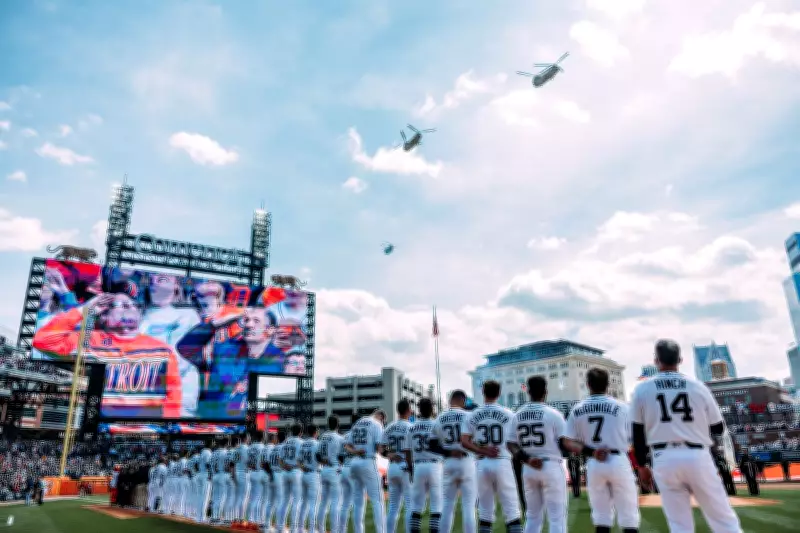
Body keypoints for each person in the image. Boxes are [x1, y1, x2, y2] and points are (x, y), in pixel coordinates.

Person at [630, 339, 742, 532]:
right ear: (680, 359)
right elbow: (717, 428)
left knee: (679, 525)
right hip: (697, 454)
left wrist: (641, 466)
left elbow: (637, 433)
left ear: (656, 361)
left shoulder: (642, 389)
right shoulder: (697, 386)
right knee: (724, 520)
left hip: (663, 457)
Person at [32, 292, 183, 418]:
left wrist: (165, 430)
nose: (129, 307)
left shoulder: (163, 350)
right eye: (122, 305)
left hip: (144, 431)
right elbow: (42, 340)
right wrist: (84, 310)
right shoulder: (88, 340)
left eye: (132, 305)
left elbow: (173, 397)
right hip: (97, 428)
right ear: (104, 317)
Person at [176, 303, 290, 419]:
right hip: (213, 425)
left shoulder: (281, 362)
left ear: (270, 330)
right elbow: (186, 348)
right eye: (246, 320)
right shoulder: (223, 351)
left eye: (256, 321)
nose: (249, 325)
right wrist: (217, 323)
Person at [564, 368, 640, 533]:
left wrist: (591, 452)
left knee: (601, 516)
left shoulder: (577, 409)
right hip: (618, 459)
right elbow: (635, 438)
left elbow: (567, 441)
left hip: (594, 462)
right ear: (608, 384)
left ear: (588, 385)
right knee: (628, 515)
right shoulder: (622, 407)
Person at [507, 376, 569, 532]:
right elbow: (564, 444)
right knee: (557, 518)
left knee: (533, 517)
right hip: (550, 465)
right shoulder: (553, 414)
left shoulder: (518, 415)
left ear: (528, 391)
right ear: (545, 391)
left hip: (529, 467)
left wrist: (526, 458)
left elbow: (510, 443)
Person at [460, 380, 522, 533]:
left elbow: (464, 441)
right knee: (512, 510)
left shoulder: (472, 414)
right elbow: (518, 441)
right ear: (499, 393)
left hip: (481, 463)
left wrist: (482, 450)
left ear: (483, 392)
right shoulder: (509, 413)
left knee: (485, 512)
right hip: (502, 461)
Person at [139, 272, 202, 417]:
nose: (156, 279)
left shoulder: (187, 314)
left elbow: (180, 359)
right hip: (143, 396)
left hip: (178, 395)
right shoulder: (139, 315)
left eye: (164, 276)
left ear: (176, 285)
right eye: (152, 276)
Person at [433, 390, 476, 533]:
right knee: (469, 506)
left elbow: (431, 444)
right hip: (467, 461)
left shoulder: (440, 417)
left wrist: (449, 451)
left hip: (449, 462)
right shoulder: (469, 416)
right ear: (463, 402)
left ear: (451, 400)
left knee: (447, 505)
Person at [405, 398, 444, 533]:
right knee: (436, 505)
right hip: (435, 465)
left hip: (418, 466)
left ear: (419, 410)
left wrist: (410, 470)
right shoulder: (437, 424)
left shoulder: (411, 427)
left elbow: (407, 451)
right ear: (432, 409)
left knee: (417, 505)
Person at [345, 410, 387, 533]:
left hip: (355, 462)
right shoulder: (376, 424)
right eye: (383, 420)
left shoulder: (358, 422)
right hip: (368, 461)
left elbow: (347, 445)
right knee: (378, 501)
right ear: (380, 416)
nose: (383, 422)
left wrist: (356, 452)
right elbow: (380, 449)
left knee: (358, 502)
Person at [382, 401, 413, 533]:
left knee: (393, 506)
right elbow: (411, 450)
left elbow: (380, 448)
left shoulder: (389, 426)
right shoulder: (411, 426)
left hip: (392, 467)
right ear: (408, 410)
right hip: (405, 467)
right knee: (409, 506)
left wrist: (389, 455)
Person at [316, 415, 345, 533]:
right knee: (335, 503)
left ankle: (321, 530)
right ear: (338, 425)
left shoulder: (322, 436)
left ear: (328, 424)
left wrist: (324, 461)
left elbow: (317, 455)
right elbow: (342, 457)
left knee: (323, 503)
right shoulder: (339, 438)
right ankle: (334, 530)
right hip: (334, 470)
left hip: (324, 470)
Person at [278, 423, 305, 533]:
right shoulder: (302, 442)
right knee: (296, 502)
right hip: (296, 472)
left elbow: (280, 460)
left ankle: (280, 527)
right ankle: (294, 528)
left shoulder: (286, 441)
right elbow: (303, 461)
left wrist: (285, 466)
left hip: (285, 471)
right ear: (300, 432)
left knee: (284, 501)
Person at [299, 424, 321, 533]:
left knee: (303, 503)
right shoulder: (317, 444)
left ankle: (300, 528)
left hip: (304, 474)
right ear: (315, 432)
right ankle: (312, 530)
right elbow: (321, 459)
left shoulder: (303, 444)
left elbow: (298, 461)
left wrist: (304, 467)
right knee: (313, 504)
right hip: (313, 474)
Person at [265, 432, 285, 532]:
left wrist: (270, 474)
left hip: (271, 474)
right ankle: (279, 527)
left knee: (270, 502)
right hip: (279, 474)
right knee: (280, 502)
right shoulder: (283, 447)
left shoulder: (273, 448)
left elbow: (265, 464)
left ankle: (267, 526)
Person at [247, 432, 266, 525]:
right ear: (262, 437)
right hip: (259, 472)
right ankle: (255, 520)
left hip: (251, 472)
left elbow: (247, 462)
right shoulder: (262, 447)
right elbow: (264, 462)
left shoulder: (251, 447)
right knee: (259, 498)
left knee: (252, 497)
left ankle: (251, 519)